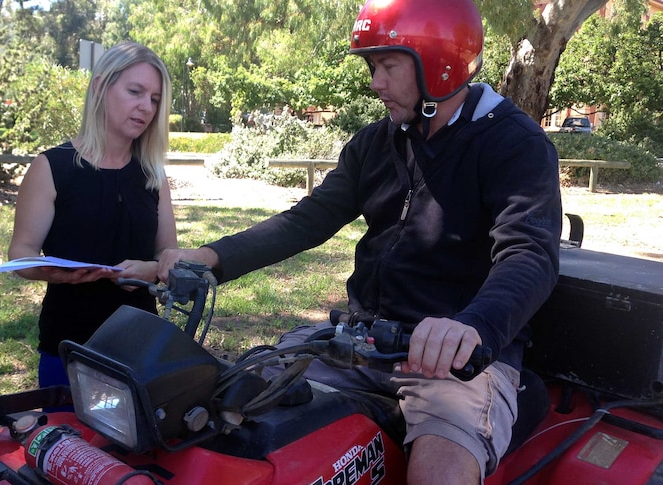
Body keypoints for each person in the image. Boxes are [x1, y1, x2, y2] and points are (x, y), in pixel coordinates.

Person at [158, 0, 562, 483]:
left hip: (456, 359)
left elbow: (529, 253)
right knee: (226, 413)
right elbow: (308, 220)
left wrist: (471, 328)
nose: (375, 82)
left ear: (441, 62)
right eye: (373, 66)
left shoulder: (514, 144)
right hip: (360, 340)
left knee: (440, 474)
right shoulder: (376, 142)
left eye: (388, 65)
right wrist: (210, 258)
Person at [8, 41, 177, 392]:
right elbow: (20, 253)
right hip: (67, 346)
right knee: (70, 446)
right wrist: (49, 271)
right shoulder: (51, 167)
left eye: (155, 99)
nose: (145, 107)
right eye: (135, 91)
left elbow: (167, 255)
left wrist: (151, 270)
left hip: (138, 346)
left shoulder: (153, 176)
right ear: (101, 87)